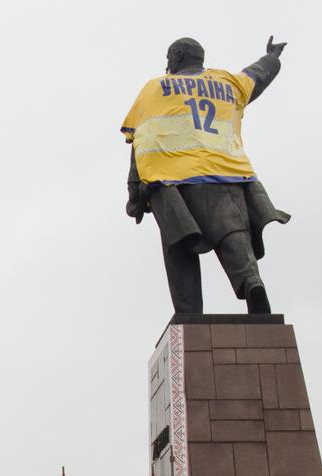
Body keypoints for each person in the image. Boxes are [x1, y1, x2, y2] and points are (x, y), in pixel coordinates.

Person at [122, 36, 290, 315]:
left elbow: (143, 139)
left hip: (172, 181)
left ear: (176, 56)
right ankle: (251, 282)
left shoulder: (156, 88)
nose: (167, 63)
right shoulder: (227, 83)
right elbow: (257, 76)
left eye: (168, 57)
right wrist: (272, 57)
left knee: (179, 244)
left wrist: (134, 191)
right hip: (226, 175)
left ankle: (189, 312)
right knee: (232, 234)